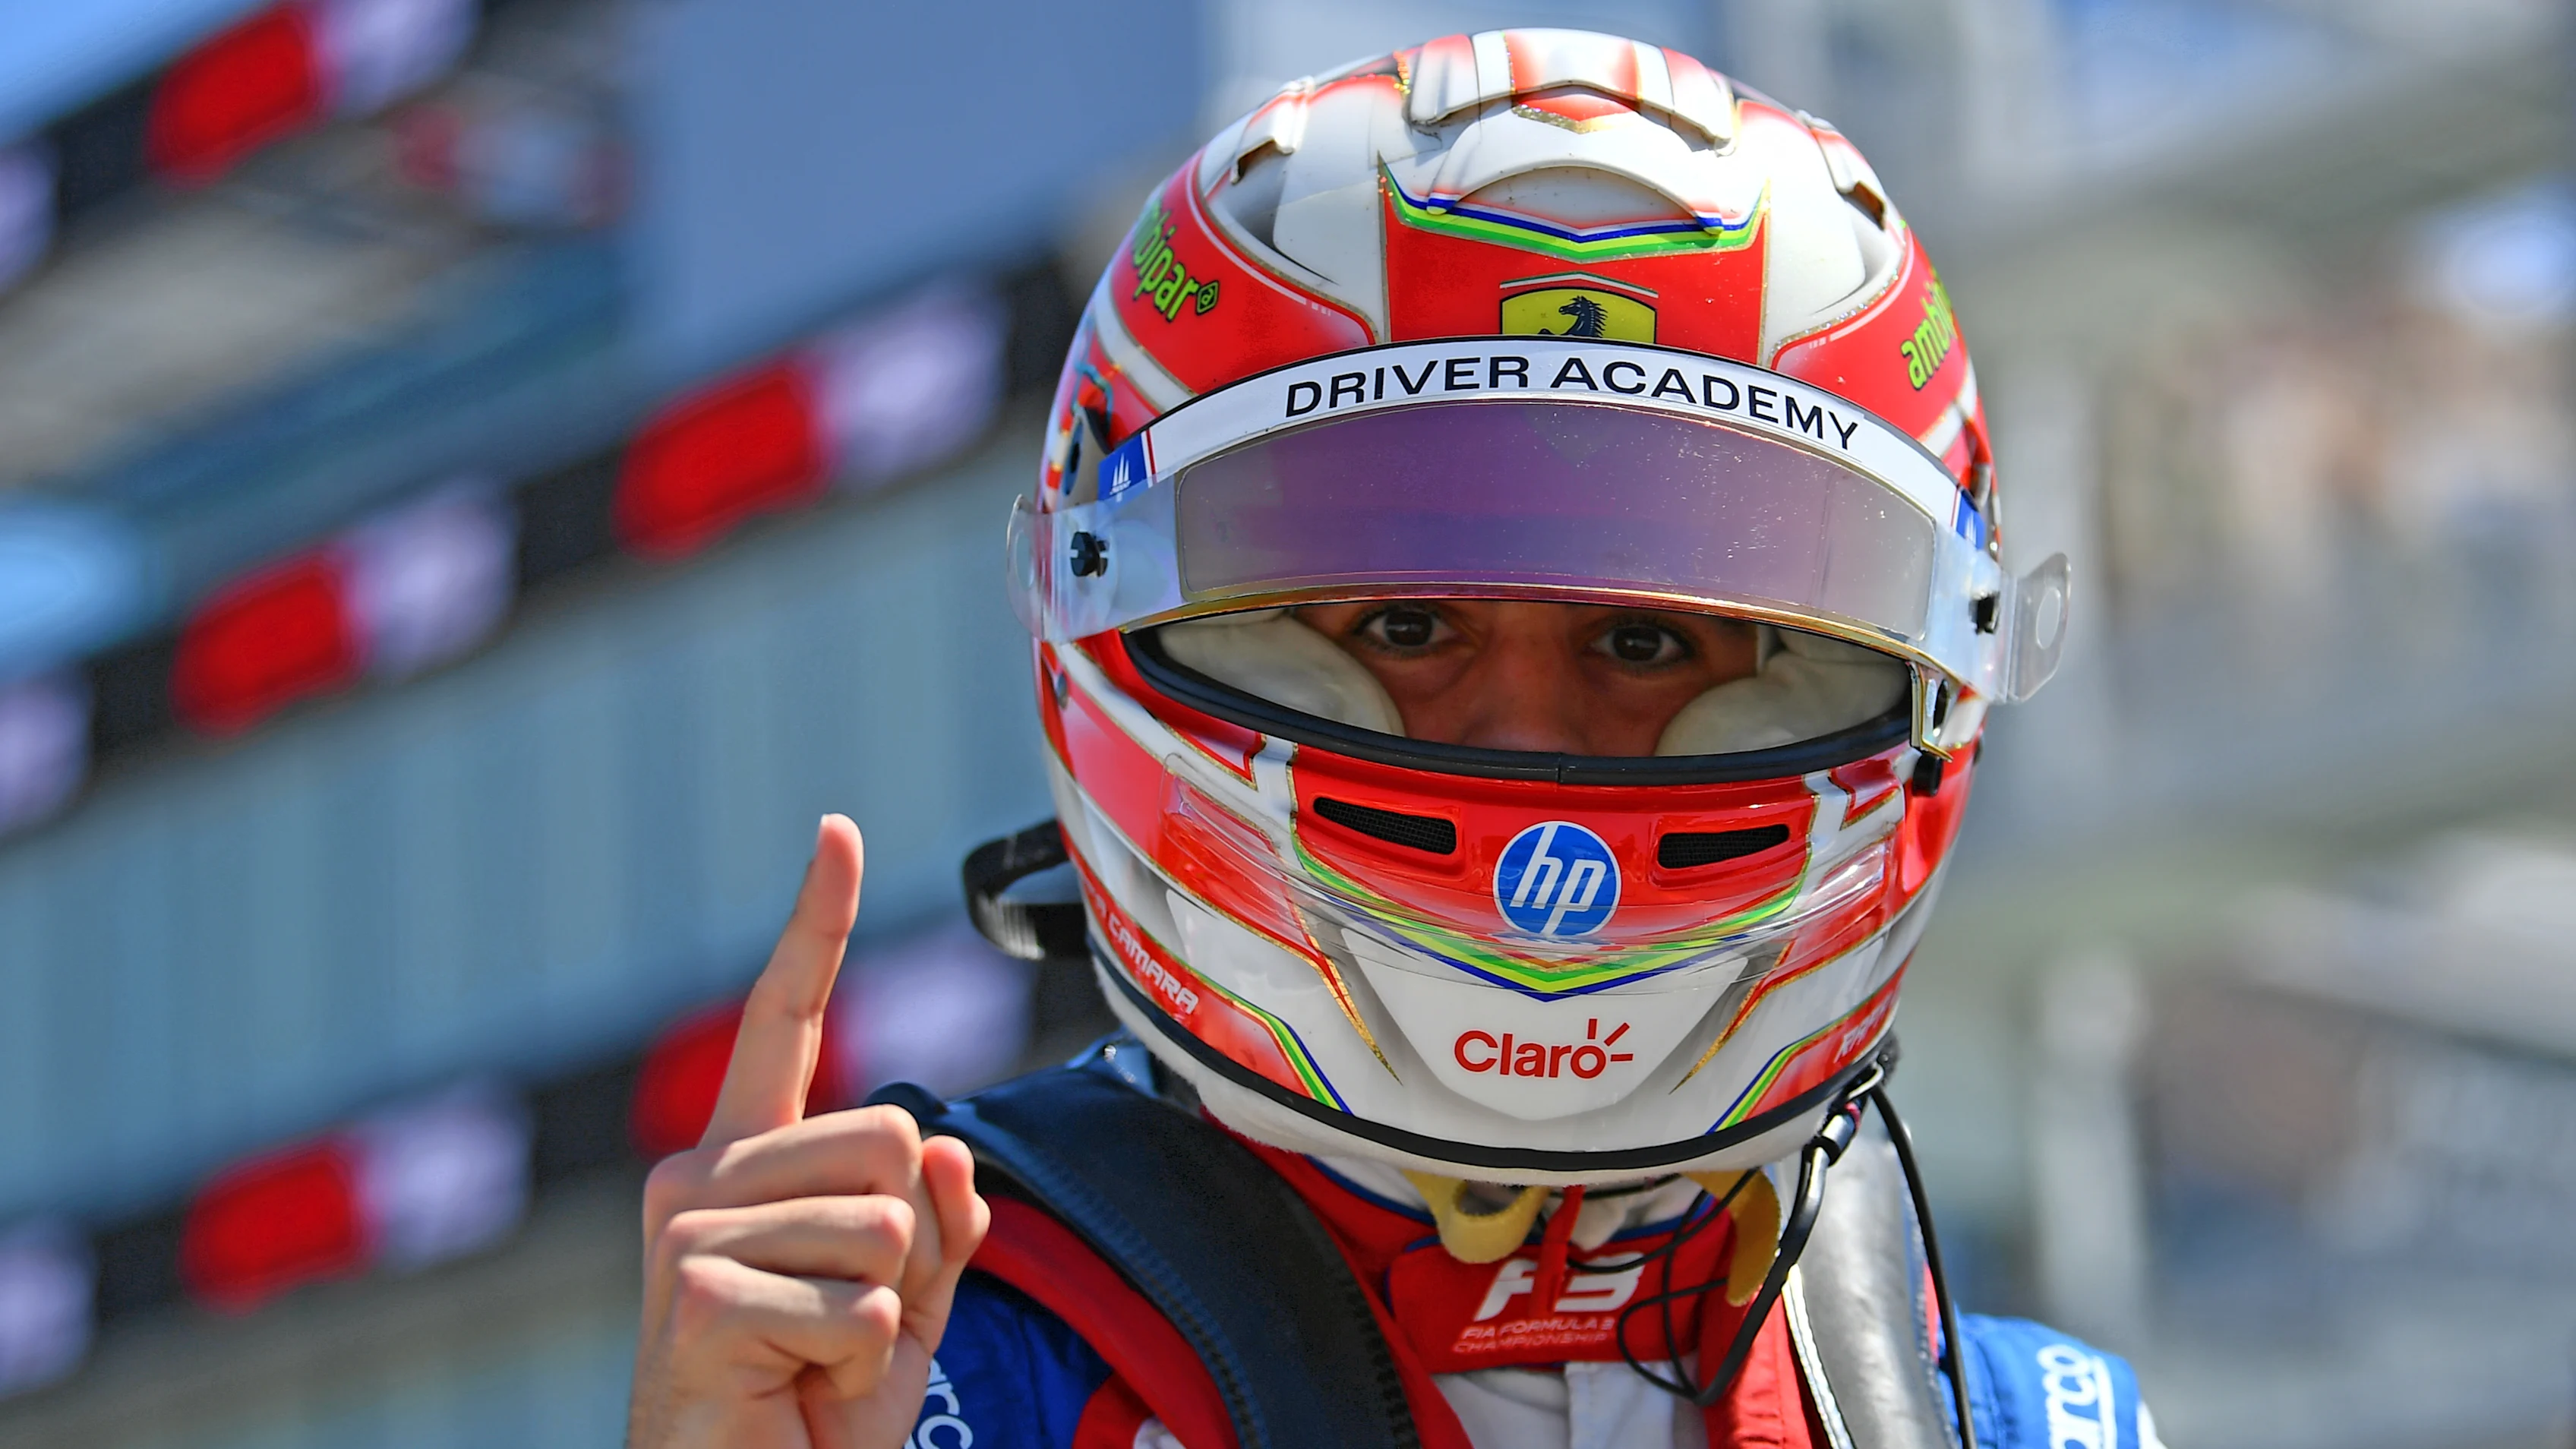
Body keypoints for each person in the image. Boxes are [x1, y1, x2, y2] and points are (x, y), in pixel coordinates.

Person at [626, 28, 2152, 1449]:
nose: (1527, 740)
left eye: (1645, 642)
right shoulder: (916, 1370)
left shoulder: (2019, 1422)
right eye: (1407, 631)